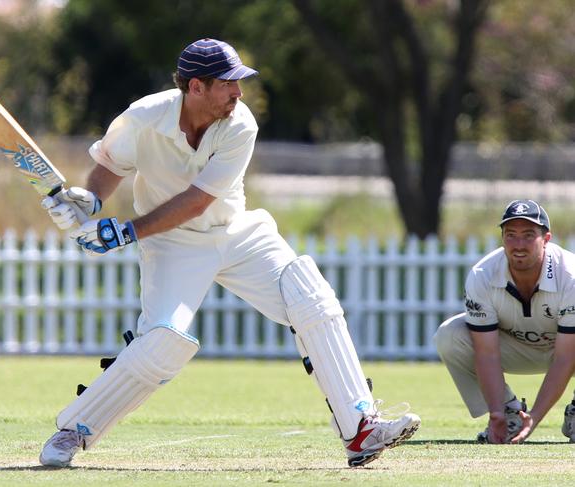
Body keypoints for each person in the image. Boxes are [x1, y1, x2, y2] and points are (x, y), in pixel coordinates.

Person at [38, 38, 420, 468]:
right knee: (162, 340)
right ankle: (74, 429)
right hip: (173, 244)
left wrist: (125, 231)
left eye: (239, 83)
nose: (239, 93)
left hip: (237, 232)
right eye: (228, 84)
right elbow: (110, 165)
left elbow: (197, 201)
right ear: (196, 87)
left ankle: (361, 428)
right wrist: (89, 200)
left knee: (310, 295)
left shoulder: (240, 124)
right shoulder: (144, 116)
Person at [434, 199, 575, 444]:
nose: (518, 245)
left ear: (547, 238)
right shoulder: (482, 275)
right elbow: (486, 354)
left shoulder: (570, 276)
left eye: (529, 235)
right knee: (449, 335)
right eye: (511, 235)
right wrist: (496, 410)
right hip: (516, 348)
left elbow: (566, 358)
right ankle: (511, 416)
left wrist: (535, 417)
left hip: (567, 351)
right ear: (502, 237)